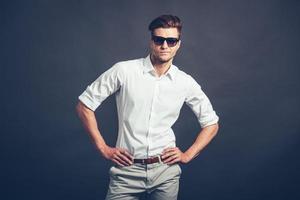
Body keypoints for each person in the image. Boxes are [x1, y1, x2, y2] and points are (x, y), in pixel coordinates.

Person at [76, 14, 219, 200]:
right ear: (151, 41)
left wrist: (187, 155)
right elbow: (84, 105)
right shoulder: (124, 71)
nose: (164, 46)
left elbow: (211, 123)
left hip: (165, 172)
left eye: (171, 41)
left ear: (178, 44)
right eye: (159, 39)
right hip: (126, 171)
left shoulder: (185, 82)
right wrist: (103, 148)